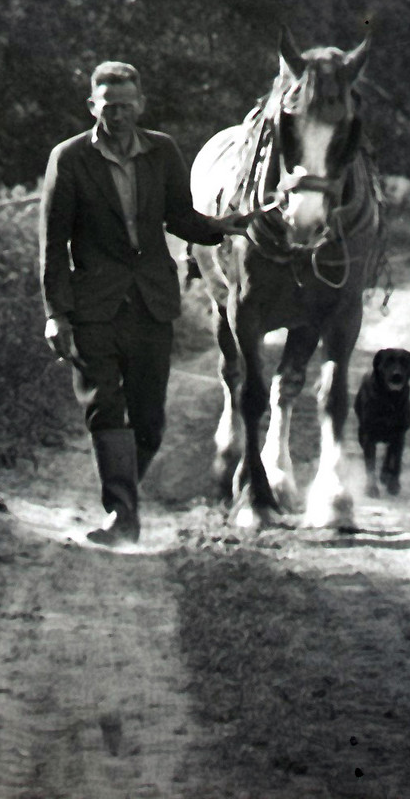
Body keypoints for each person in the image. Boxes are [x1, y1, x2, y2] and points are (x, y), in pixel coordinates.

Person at [39, 61, 247, 547]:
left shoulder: (162, 151)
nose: (118, 115)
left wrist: (231, 224)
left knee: (150, 421)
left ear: (141, 105)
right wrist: (56, 314)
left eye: (126, 106)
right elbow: (53, 244)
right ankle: (122, 515)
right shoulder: (68, 159)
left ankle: (124, 500)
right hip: (93, 306)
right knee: (104, 407)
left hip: (151, 302)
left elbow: (180, 219)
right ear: (93, 106)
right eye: (109, 106)